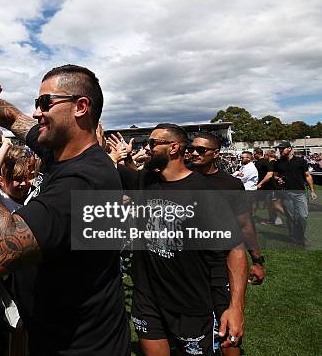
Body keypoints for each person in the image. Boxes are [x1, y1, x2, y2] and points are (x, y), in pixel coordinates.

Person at [0, 46, 130, 355]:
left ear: (80, 107)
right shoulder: (60, 148)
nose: (36, 112)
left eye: (45, 103)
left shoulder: (85, 182)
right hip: (54, 333)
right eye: (37, 103)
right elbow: (12, 116)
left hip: (80, 346)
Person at [117, 124, 246, 356]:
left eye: (153, 143)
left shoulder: (205, 193)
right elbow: (120, 172)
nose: (148, 148)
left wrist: (236, 307)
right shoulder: (146, 181)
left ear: (174, 147)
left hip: (190, 301)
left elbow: (235, 249)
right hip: (147, 297)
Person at [188, 133, 265, 355]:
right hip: (189, 266)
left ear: (216, 154)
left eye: (201, 150)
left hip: (222, 263)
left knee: (229, 327)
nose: (194, 153)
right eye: (192, 149)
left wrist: (257, 260)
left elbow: (245, 225)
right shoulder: (180, 178)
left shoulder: (230, 184)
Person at [273, 141, 317, 245]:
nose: (280, 150)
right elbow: (275, 175)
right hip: (286, 193)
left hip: (300, 193)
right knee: (291, 217)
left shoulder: (300, 161)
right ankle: (295, 236)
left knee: (303, 216)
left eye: (282, 148)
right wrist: (278, 178)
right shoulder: (278, 163)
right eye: (279, 149)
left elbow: (307, 176)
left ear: (289, 149)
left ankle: (300, 236)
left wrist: (312, 191)